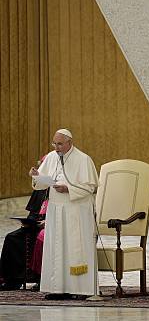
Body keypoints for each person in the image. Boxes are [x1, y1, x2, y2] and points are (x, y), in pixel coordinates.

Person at [29, 128, 99, 300]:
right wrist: (37, 176)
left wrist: (69, 188)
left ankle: (80, 289)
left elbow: (91, 187)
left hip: (76, 210)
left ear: (69, 142)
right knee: (56, 247)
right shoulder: (52, 157)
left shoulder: (83, 159)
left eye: (60, 144)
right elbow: (42, 184)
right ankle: (57, 288)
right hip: (55, 209)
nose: (56, 147)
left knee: (75, 248)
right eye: (54, 143)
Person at [0, 189, 48, 290]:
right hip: (36, 225)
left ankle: (38, 278)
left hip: (50, 227)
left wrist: (47, 221)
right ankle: (11, 279)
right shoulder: (40, 190)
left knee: (38, 238)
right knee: (11, 238)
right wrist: (28, 222)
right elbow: (32, 213)